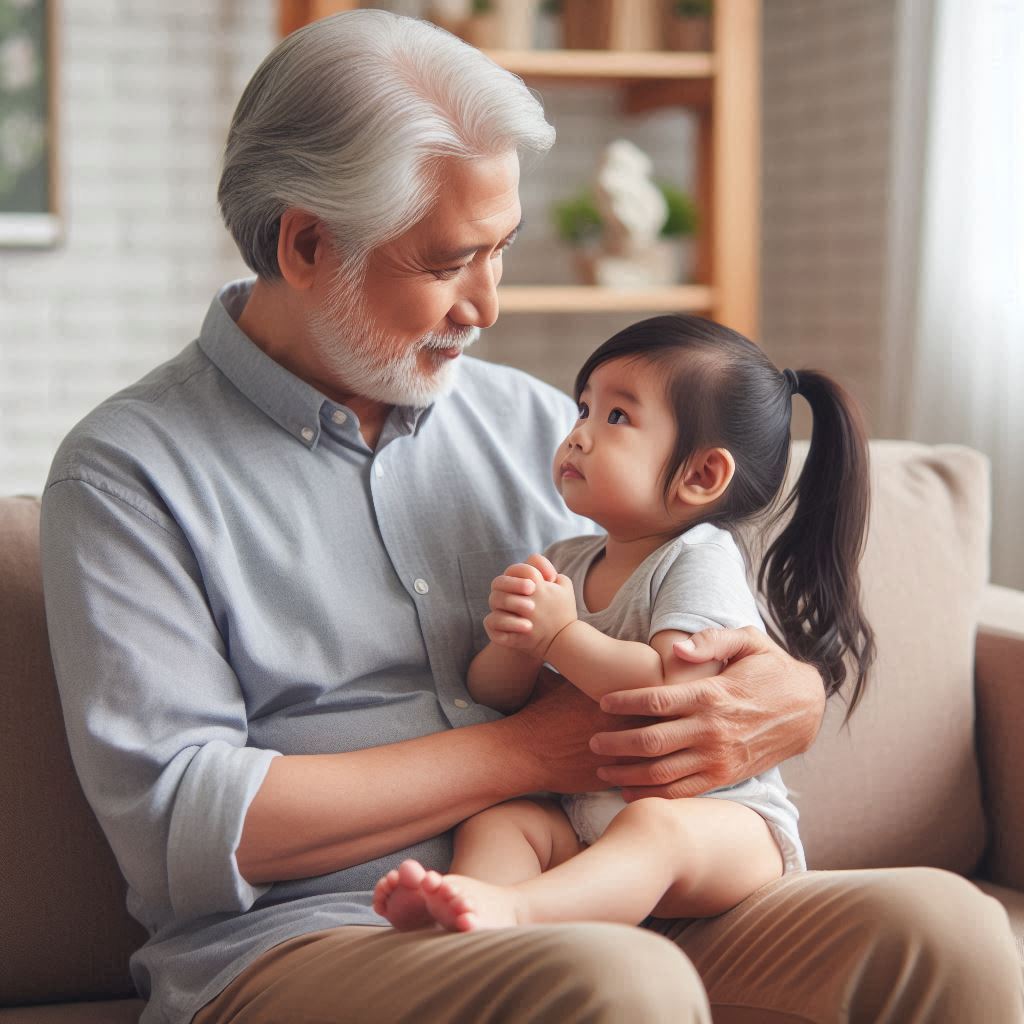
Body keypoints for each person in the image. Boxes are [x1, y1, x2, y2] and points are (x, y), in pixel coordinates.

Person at [37, 10, 1021, 1024]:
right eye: (448, 261)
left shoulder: (538, 425)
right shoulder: (127, 476)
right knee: (613, 983)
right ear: (306, 244)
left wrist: (788, 694)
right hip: (308, 939)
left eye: (499, 250)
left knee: (942, 929)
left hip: (590, 878)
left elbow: (684, 602)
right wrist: (532, 749)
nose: (487, 304)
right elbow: (180, 828)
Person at [374, 314, 872, 933]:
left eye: (616, 417)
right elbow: (495, 696)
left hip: (720, 829)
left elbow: (669, 690)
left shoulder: (698, 557)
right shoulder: (564, 562)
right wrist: (517, 645)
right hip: (589, 821)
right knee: (502, 821)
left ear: (700, 475)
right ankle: (466, 913)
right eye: (584, 409)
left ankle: (518, 910)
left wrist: (561, 636)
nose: (579, 433)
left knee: (652, 828)